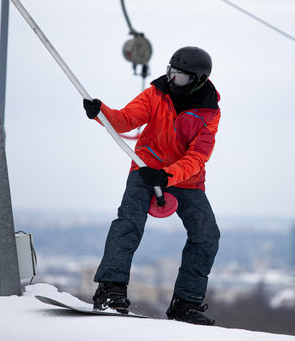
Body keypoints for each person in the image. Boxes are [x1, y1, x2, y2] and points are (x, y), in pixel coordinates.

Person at [83, 46, 221, 325]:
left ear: (198, 80)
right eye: (171, 72)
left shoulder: (209, 113)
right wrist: (101, 113)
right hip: (146, 168)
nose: (172, 80)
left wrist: (168, 176)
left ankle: (186, 304)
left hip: (185, 179)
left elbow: (198, 157)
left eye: (180, 77)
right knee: (128, 223)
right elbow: (126, 120)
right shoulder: (156, 93)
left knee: (206, 235)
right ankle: (111, 290)